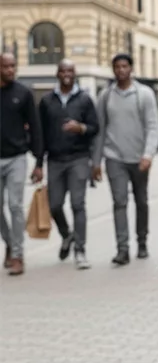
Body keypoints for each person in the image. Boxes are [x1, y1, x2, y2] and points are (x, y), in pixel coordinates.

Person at [92, 54, 158, 265]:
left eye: (124, 66)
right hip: (114, 158)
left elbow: (152, 126)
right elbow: (100, 130)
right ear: (113, 70)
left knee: (141, 201)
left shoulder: (144, 94)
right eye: (117, 67)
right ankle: (122, 248)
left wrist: (148, 154)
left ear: (131, 68)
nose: (121, 70)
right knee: (119, 202)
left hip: (139, 158)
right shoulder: (105, 96)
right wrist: (96, 161)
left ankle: (142, 242)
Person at [37, 59, 99, 270]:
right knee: (54, 205)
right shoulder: (47, 101)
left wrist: (80, 128)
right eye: (63, 71)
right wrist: (38, 163)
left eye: (70, 71)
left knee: (77, 204)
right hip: (55, 160)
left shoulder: (84, 99)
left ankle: (80, 250)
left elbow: (95, 127)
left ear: (75, 74)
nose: (66, 74)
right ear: (57, 73)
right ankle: (67, 235)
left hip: (78, 158)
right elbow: (40, 133)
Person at [0, 52, 43, 276]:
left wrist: (39, 162)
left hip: (16, 158)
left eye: (13, 66)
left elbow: (35, 127)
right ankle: (9, 241)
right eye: (6, 66)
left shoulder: (23, 93)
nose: (10, 70)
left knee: (15, 206)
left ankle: (17, 255)